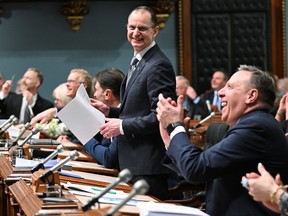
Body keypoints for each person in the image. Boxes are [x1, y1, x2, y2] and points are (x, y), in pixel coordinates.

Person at [156, 64, 288, 215]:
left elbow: (196, 169)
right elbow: (202, 172)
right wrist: (171, 141)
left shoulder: (256, 127)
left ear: (251, 96)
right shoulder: (251, 124)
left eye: (230, 87)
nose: (220, 93)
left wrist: (176, 127)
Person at [91, 6, 176, 200]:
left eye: (142, 28)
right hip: (133, 162)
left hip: (148, 166)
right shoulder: (139, 60)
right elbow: (136, 109)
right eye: (131, 27)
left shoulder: (158, 65)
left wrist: (121, 125)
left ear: (155, 31)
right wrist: (110, 111)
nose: (135, 33)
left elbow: (161, 117)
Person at [83, 68, 124, 169]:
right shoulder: (110, 114)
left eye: (96, 90)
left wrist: (84, 137)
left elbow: (108, 158)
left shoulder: (123, 119)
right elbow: (103, 150)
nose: (94, 95)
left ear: (107, 94)